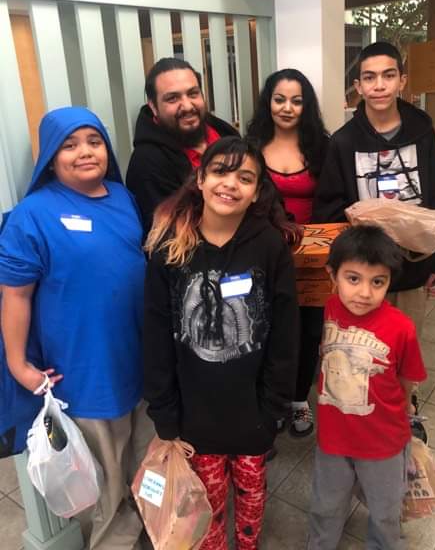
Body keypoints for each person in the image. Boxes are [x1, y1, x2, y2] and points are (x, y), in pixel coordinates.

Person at [0, 107, 153, 550]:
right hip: (86, 374)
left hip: (139, 362)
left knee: (146, 470)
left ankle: (154, 532)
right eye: (69, 145)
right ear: (51, 157)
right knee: (106, 487)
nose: (84, 152)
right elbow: (15, 297)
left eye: (94, 141)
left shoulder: (123, 198)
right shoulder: (33, 215)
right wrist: (18, 365)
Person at [143, 136, 300, 550]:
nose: (230, 183)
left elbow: (285, 335)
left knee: (251, 503)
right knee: (205, 511)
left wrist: (273, 409)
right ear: (200, 179)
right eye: (220, 171)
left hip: (253, 416)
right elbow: (155, 336)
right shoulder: (170, 248)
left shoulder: (269, 247)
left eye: (244, 178)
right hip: (194, 422)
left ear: (257, 191)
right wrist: (165, 414)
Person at [313, 41, 435, 338]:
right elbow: (327, 210)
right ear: (358, 86)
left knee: (403, 345)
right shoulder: (343, 142)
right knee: (363, 351)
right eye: (369, 77)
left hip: (413, 269)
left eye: (388, 75)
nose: (379, 85)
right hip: (363, 272)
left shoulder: (423, 132)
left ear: (402, 80)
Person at [308, 225, 427, 550]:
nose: (364, 292)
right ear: (332, 274)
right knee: (325, 506)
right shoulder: (329, 310)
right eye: (353, 278)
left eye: (378, 282)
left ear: (389, 281)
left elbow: (407, 380)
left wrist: (406, 409)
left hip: (383, 443)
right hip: (333, 438)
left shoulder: (402, 328)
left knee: (386, 512)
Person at [247, 68, 329, 437]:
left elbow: (335, 198)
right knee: (268, 328)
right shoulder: (251, 146)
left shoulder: (322, 146)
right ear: (268, 102)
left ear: (306, 105)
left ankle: (298, 400)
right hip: (263, 255)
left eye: (296, 101)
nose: (287, 107)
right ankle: (271, 400)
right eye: (279, 99)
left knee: (309, 331)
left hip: (313, 258)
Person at [126, 57, 238, 233]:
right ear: (153, 107)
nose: (187, 106)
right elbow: (167, 234)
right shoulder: (146, 163)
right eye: (172, 98)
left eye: (193, 94)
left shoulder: (226, 134)